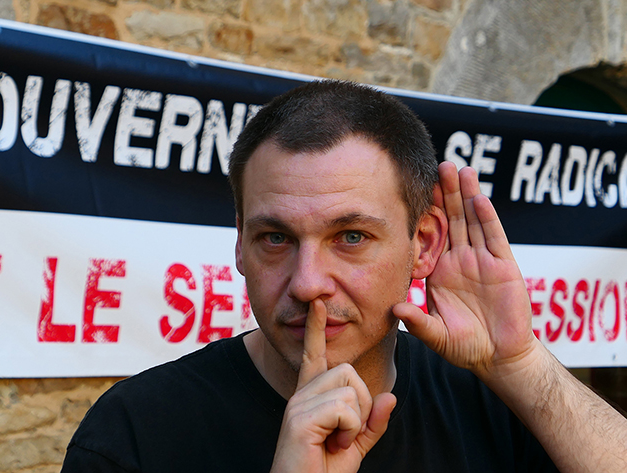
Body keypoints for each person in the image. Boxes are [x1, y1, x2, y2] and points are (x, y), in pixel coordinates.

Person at [61, 80, 627, 472]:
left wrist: (520, 363)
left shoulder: (495, 405)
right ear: (239, 243)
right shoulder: (133, 434)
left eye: (351, 237)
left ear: (424, 245)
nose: (308, 283)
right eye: (275, 238)